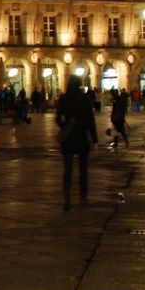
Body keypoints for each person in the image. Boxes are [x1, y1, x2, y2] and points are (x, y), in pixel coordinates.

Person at [56, 74, 98, 210]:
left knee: (67, 169)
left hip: (68, 138)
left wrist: (65, 125)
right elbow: (91, 121)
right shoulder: (85, 98)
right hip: (81, 136)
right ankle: (83, 196)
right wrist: (95, 140)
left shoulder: (63, 98)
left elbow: (58, 119)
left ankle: (67, 194)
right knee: (83, 168)